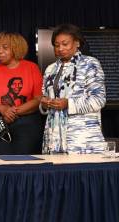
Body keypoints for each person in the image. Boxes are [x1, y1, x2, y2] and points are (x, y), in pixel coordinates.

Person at [39, 24, 106, 154]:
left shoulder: (90, 64)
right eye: (56, 45)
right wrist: (45, 103)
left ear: (77, 43)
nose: (60, 48)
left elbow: (98, 100)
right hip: (53, 139)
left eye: (65, 44)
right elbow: (43, 96)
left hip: (81, 140)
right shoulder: (50, 69)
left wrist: (67, 104)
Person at [0, 32, 43, 155]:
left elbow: (38, 99)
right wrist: (1, 108)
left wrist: (12, 112)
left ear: (16, 48)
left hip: (26, 122)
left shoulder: (31, 68)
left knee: (22, 163)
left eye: (5, 48)